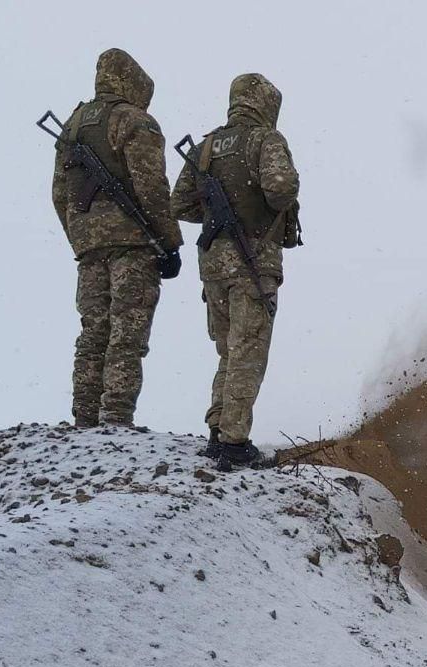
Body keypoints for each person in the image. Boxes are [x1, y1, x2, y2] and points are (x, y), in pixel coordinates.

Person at [171, 73, 300, 469]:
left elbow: (180, 204)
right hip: (253, 261)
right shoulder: (266, 140)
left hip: (213, 266)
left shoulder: (207, 146)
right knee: (248, 351)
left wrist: (218, 217)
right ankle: (234, 442)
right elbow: (281, 188)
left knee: (228, 349)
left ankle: (218, 427)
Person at [51, 48, 182, 429]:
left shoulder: (73, 126)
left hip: (90, 249)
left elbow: (60, 195)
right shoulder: (134, 120)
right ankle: (116, 420)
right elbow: (152, 186)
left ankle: (85, 418)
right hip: (133, 244)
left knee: (93, 332)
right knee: (127, 332)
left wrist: (82, 236)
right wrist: (169, 241)